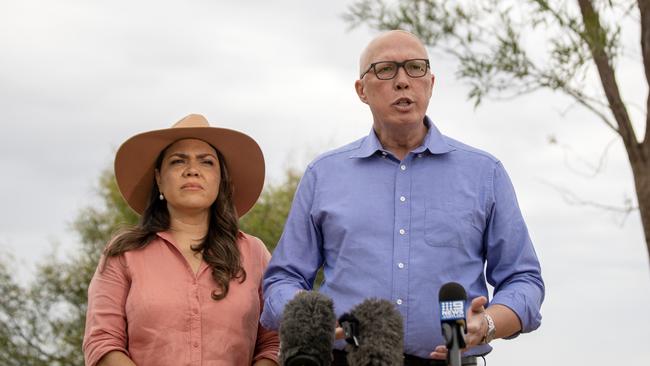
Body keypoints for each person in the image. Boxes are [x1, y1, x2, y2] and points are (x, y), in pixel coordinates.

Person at [261, 30, 544, 365]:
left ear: (431, 83)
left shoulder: (485, 173)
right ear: (361, 90)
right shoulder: (323, 175)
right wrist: (314, 321)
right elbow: (283, 279)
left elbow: (523, 280)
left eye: (415, 68)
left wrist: (488, 323)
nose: (402, 81)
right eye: (385, 70)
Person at [83, 114, 279, 366]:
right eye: (178, 161)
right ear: (159, 179)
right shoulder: (123, 253)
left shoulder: (253, 252)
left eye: (207, 162)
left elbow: (273, 343)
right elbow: (102, 341)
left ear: (221, 180)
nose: (192, 170)